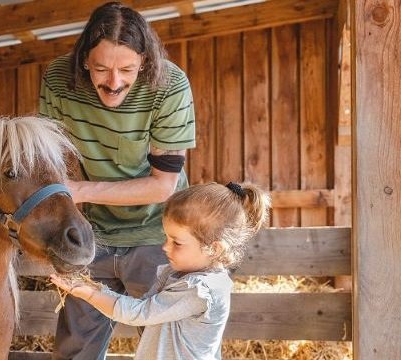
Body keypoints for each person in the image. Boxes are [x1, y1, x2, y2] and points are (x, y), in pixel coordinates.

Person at [38, 2, 198, 359]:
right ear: (83, 60)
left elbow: (162, 185)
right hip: (90, 235)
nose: (114, 82)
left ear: (145, 61)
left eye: (127, 69)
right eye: (101, 68)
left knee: (166, 346)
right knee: (76, 350)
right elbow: (53, 157)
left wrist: (77, 191)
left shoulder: (169, 85)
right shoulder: (58, 80)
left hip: (157, 234)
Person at [50, 182, 271, 359]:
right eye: (166, 238)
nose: (165, 247)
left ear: (213, 248)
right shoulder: (181, 275)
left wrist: (89, 293)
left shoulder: (199, 290)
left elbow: (140, 312)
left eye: (177, 242)